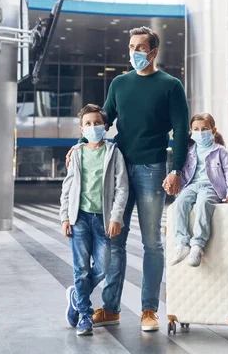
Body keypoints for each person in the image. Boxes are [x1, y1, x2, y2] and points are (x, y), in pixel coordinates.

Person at [66, 26, 189, 332]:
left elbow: (182, 131)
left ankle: (149, 310)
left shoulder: (171, 86)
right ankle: (110, 308)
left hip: (153, 169)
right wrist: (79, 145)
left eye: (140, 47)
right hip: (117, 166)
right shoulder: (119, 83)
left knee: (152, 243)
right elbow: (101, 120)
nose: (135, 52)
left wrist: (176, 170)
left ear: (153, 52)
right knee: (114, 241)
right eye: (131, 47)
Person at [60, 104, 129, 336]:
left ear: (106, 126)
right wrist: (64, 218)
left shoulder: (114, 153)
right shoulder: (77, 153)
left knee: (104, 266)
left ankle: (76, 296)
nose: (93, 127)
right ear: (81, 128)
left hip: (104, 219)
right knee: (80, 269)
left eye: (97, 123)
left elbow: (121, 189)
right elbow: (68, 186)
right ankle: (85, 315)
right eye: (88, 123)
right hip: (79, 217)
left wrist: (116, 217)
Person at [168, 113, 228, 267]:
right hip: (192, 186)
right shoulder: (190, 151)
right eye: (196, 129)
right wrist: (175, 189)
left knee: (203, 204)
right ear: (191, 132)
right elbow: (184, 174)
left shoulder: (220, 151)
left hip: (211, 187)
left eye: (204, 129)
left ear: (213, 131)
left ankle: (197, 245)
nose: (200, 132)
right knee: (179, 203)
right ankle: (181, 243)